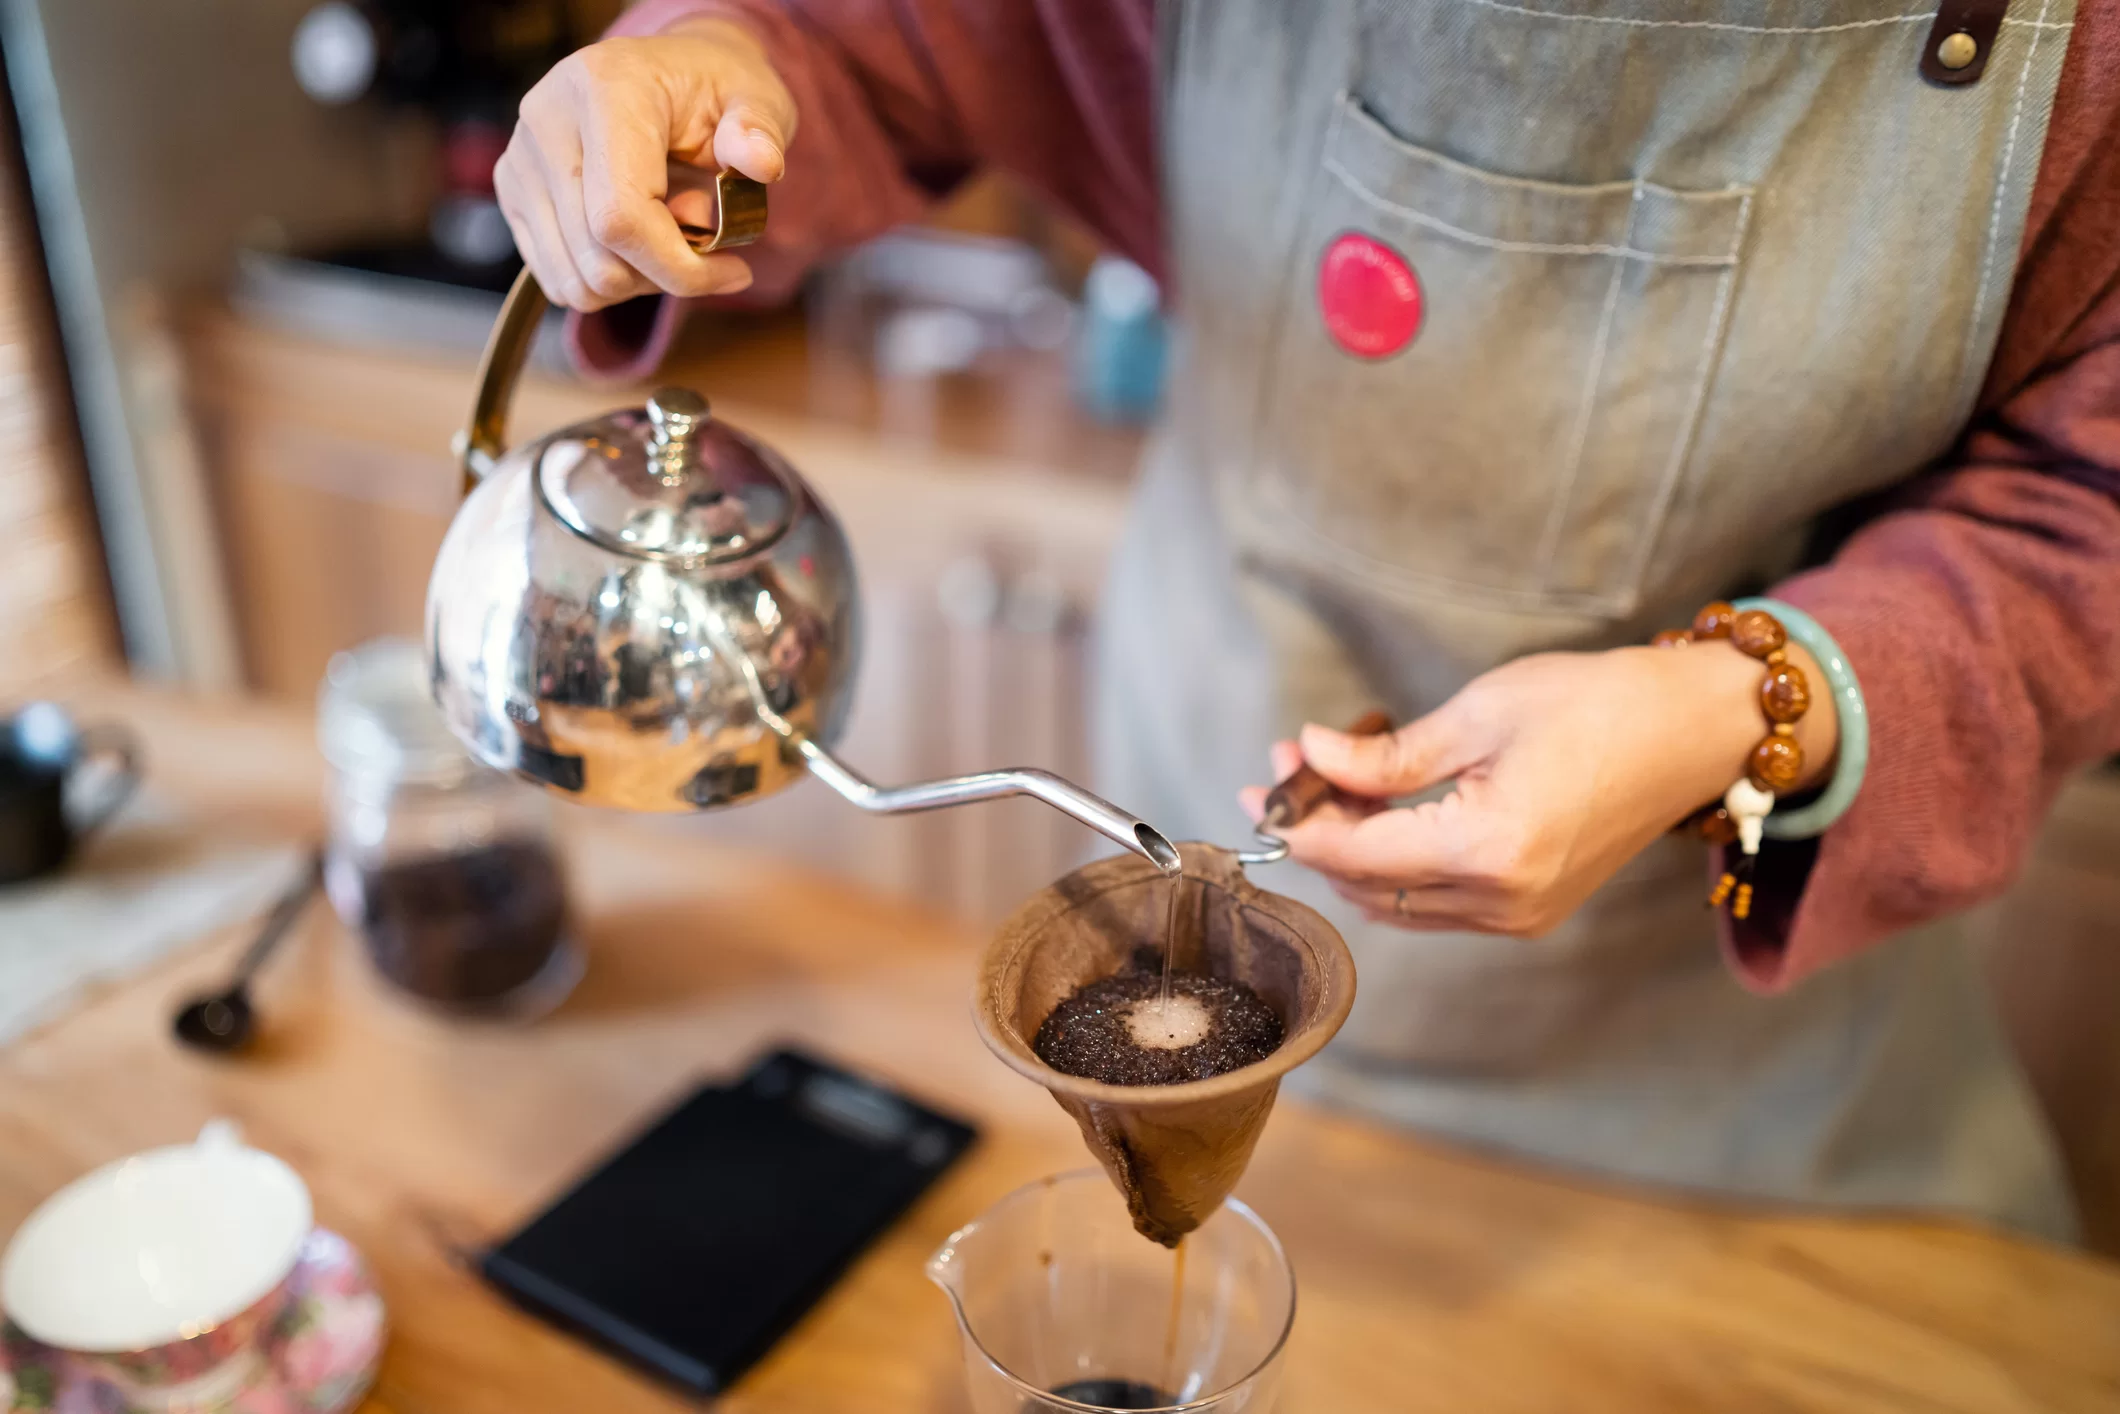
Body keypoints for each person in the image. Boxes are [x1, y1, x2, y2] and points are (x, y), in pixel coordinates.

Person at [494, 0, 2120, 1240]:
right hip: (1204, 769)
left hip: (1730, 1079)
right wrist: (716, 61)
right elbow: (879, 40)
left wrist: (1734, 704)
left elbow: (2090, 512)